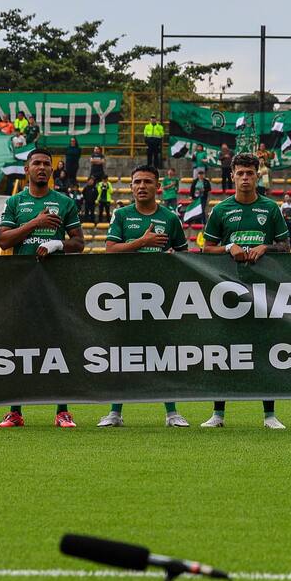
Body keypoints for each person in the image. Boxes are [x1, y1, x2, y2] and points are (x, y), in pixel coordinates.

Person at [0, 148, 85, 428]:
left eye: (47, 163)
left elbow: (79, 243)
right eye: (37, 163)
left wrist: (57, 243)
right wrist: (36, 223)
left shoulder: (64, 202)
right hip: (22, 283)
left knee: (59, 346)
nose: (42, 167)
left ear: (52, 169)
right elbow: (4, 241)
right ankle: (15, 411)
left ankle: (62, 410)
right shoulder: (15, 202)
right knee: (19, 347)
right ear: (27, 169)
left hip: (56, 284)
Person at [200, 153, 290, 429]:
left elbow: (286, 246)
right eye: (240, 173)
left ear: (257, 175)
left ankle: (270, 415)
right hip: (228, 291)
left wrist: (267, 247)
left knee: (265, 351)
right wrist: (228, 247)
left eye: (250, 173)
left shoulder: (270, 208)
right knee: (224, 352)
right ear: (232, 176)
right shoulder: (221, 210)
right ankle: (218, 414)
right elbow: (206, 249)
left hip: (264, 292)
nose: (245, 178)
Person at [99, 165, 190, 429]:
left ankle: (172, 413)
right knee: (122, 353)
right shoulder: (122, 215)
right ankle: (114, 412)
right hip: (125, 294)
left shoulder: (170, 218)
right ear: (130, 187)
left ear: (157, 186)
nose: (142, 186)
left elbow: (185, 256)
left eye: (147, 182)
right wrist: (142, 242)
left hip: (160, 296)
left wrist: (175, 259)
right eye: (137, 182)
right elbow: (111, 250)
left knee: (163, 353)